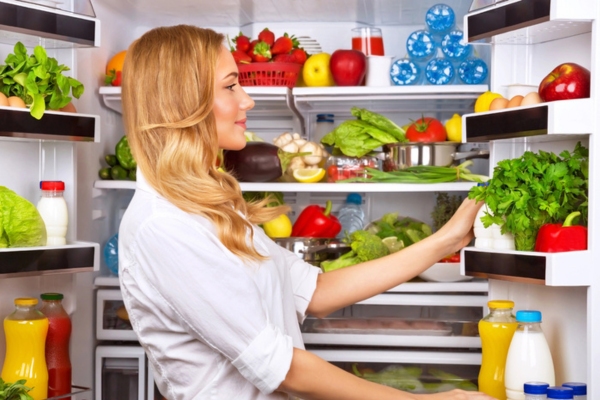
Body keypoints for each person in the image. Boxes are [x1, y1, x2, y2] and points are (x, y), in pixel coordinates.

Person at [118, 24, 493, 400]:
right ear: (185, 102)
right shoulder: (163, 226)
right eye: (231, 86)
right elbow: (281, 368)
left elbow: (315, 291)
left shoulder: (210, 202)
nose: (247, 100)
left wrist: (449, 237)